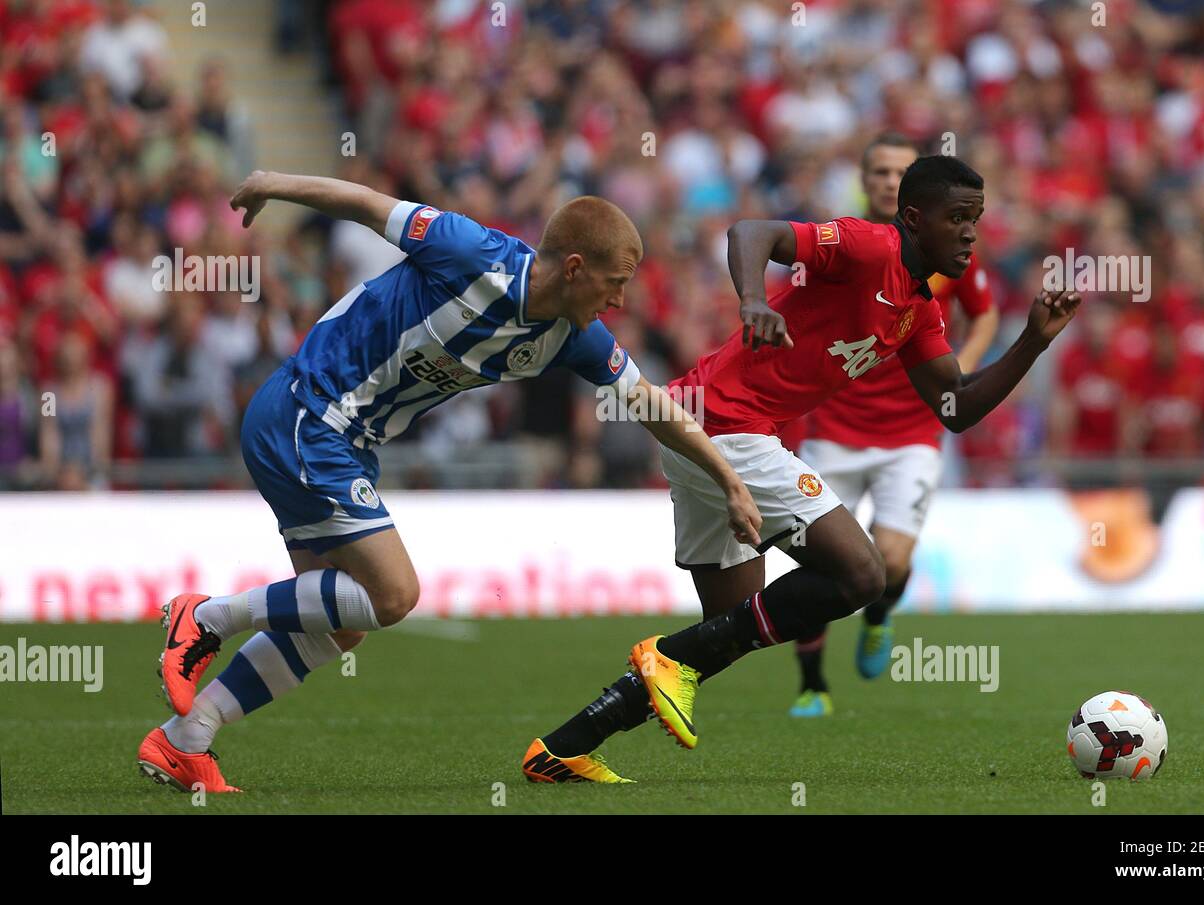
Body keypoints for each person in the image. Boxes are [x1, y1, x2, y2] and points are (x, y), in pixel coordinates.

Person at [136, 170, 762, 793]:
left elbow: (651, 404)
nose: (620, 301)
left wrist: (729, 480)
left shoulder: (573, 337)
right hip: (309, 412)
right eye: (615, 283)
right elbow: (363, 202)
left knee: (341, 623)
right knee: (393, 596)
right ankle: (208, 616)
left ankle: (187, 737)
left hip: (350, 441)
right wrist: (272, 183)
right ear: (575, 267)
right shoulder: (469, 251)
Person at [522, 155, 1080, 782]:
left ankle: (565, 746)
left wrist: (1034, 339)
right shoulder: (870, 247)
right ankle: (666, 658)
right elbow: (749, 233)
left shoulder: (920, 311)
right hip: (728, 427)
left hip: (697, 430)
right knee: (862, 574)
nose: (972, 234)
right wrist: (754, 301)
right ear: (915, 219)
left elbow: (953, 408)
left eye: (976, 220)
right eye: (958, 218)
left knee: (727, 632)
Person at [788, 134, 999, 718]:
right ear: (866, 180)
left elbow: (986, 313)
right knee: (820, 561)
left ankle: (879, 613)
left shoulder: (950, 251)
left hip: (911, 433)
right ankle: (812, 685)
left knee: (892, 562)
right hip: (834, 429)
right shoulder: (845, 247)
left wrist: (964, 370)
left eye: (898, 172)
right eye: (878, 171)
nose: (886, 180)